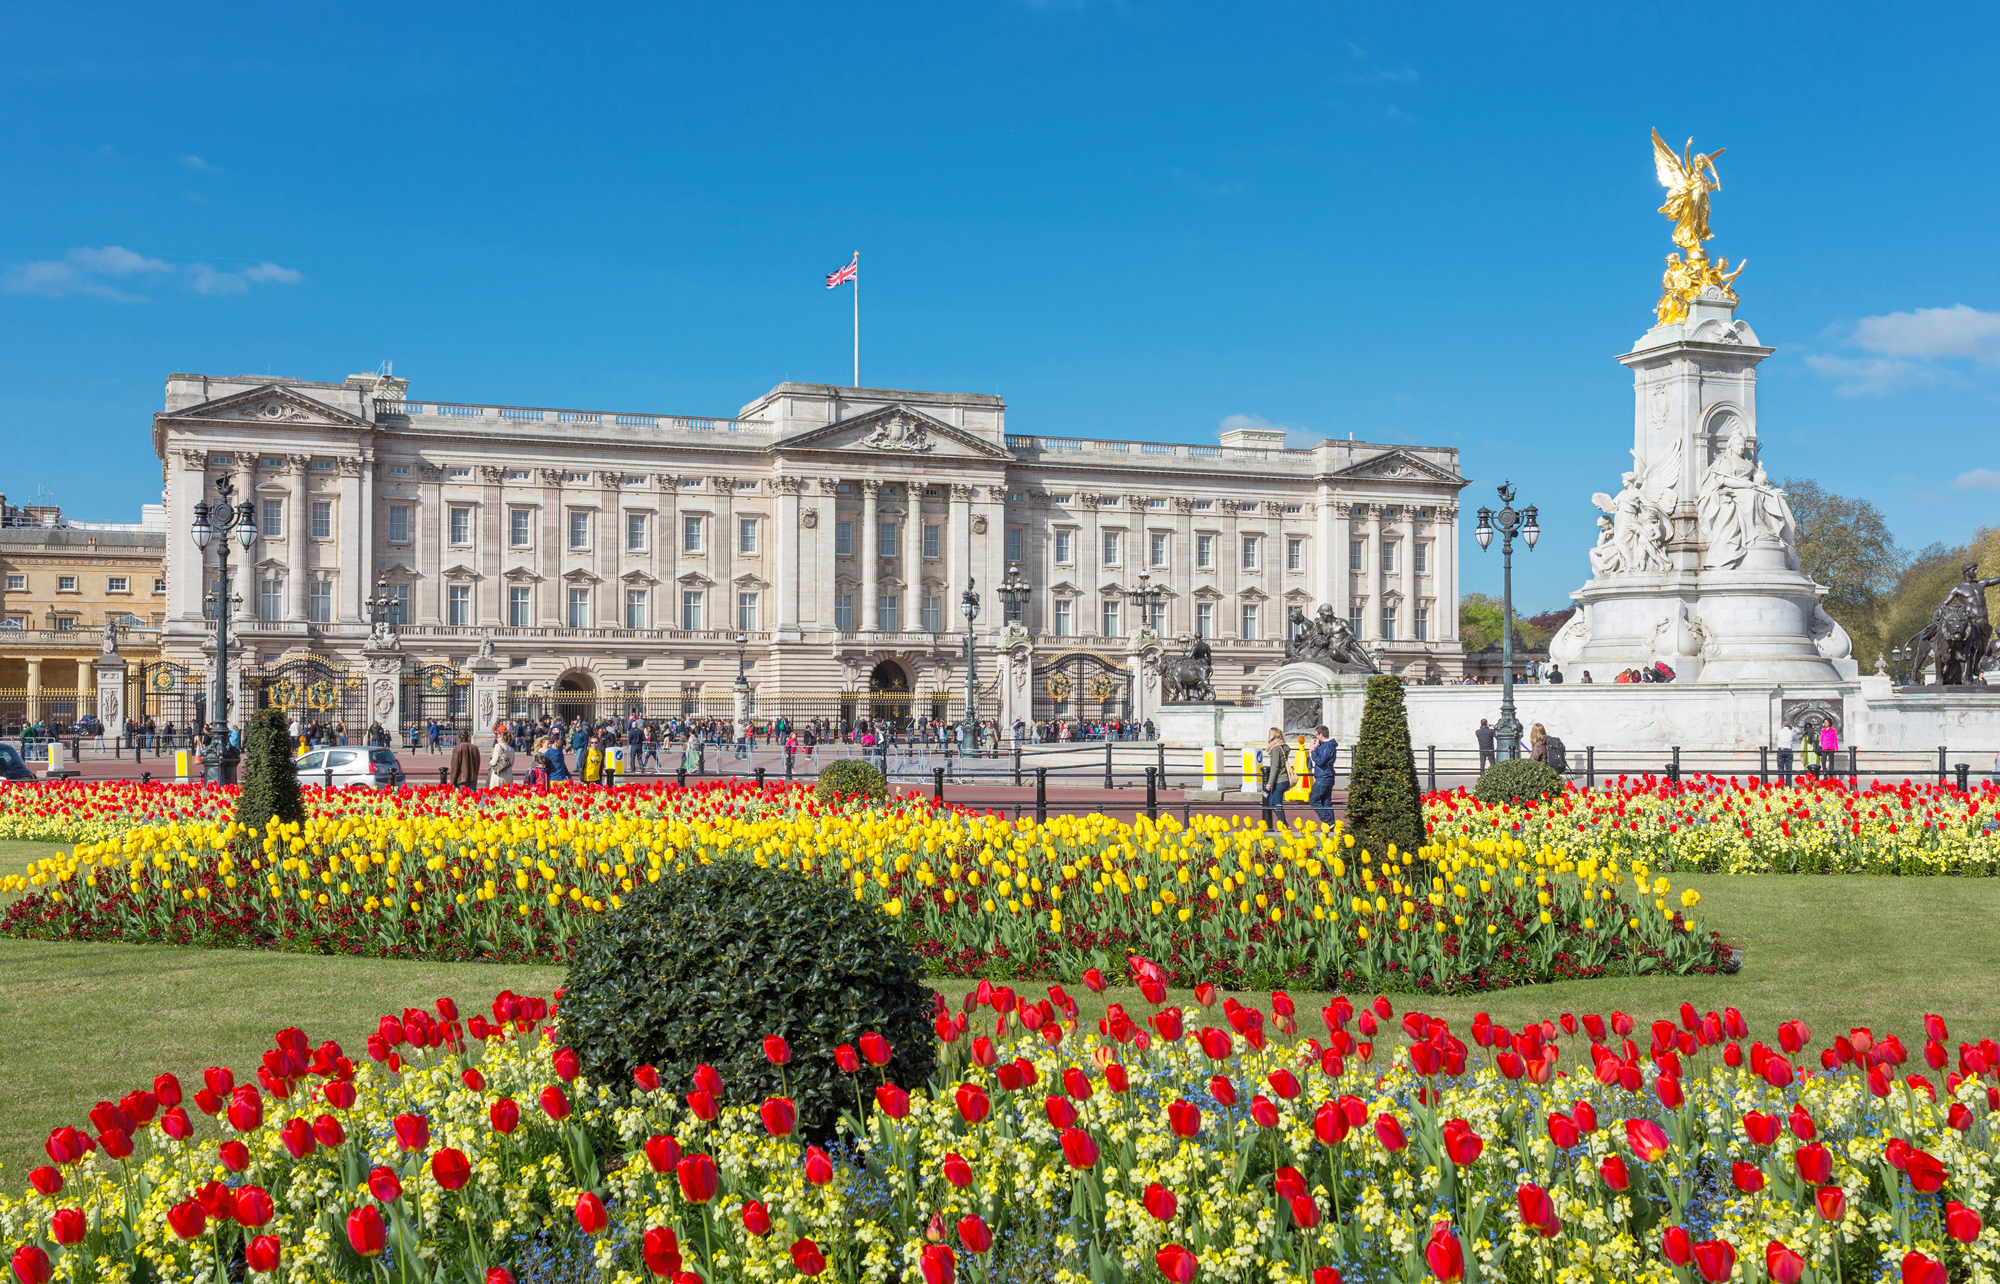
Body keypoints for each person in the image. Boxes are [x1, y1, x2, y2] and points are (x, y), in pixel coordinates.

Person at [1307, 725, 1340, 824]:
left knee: (1313, 800)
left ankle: (1329, 821)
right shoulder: (1327, 745)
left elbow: (1320, 761)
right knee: (1326, 802)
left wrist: (1313, 751)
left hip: (1324, 777)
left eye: (1317, 734)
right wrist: (1317, 747)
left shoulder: (1328, 746)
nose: (1316, 737)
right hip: (1326, 776)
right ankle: (1331, 825)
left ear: (1321, 734)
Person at [1260, 727, 1292, 827]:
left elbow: (1275, 767)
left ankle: (1283, 824)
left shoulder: (1276, 748)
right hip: (1284, 779)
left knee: (1276, 803)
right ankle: (1283, 823)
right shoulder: (1283, 746)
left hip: (1279, 780)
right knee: (1272, 802)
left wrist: (1269, 783)